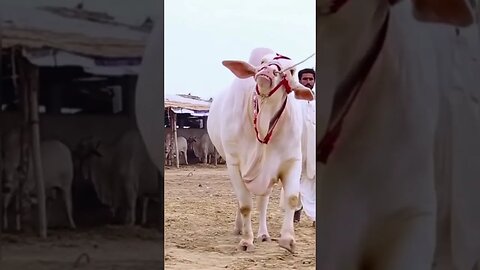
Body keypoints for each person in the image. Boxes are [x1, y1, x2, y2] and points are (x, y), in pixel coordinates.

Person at [294, 68, 316, 226]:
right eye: (305, 79)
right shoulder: (292, 101)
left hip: (315, 148)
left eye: (311, 79)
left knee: (314, 180)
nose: (308, 82)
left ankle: (315, 216)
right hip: (296, 148)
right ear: (299, 80)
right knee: (294, 180)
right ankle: (295, 213)